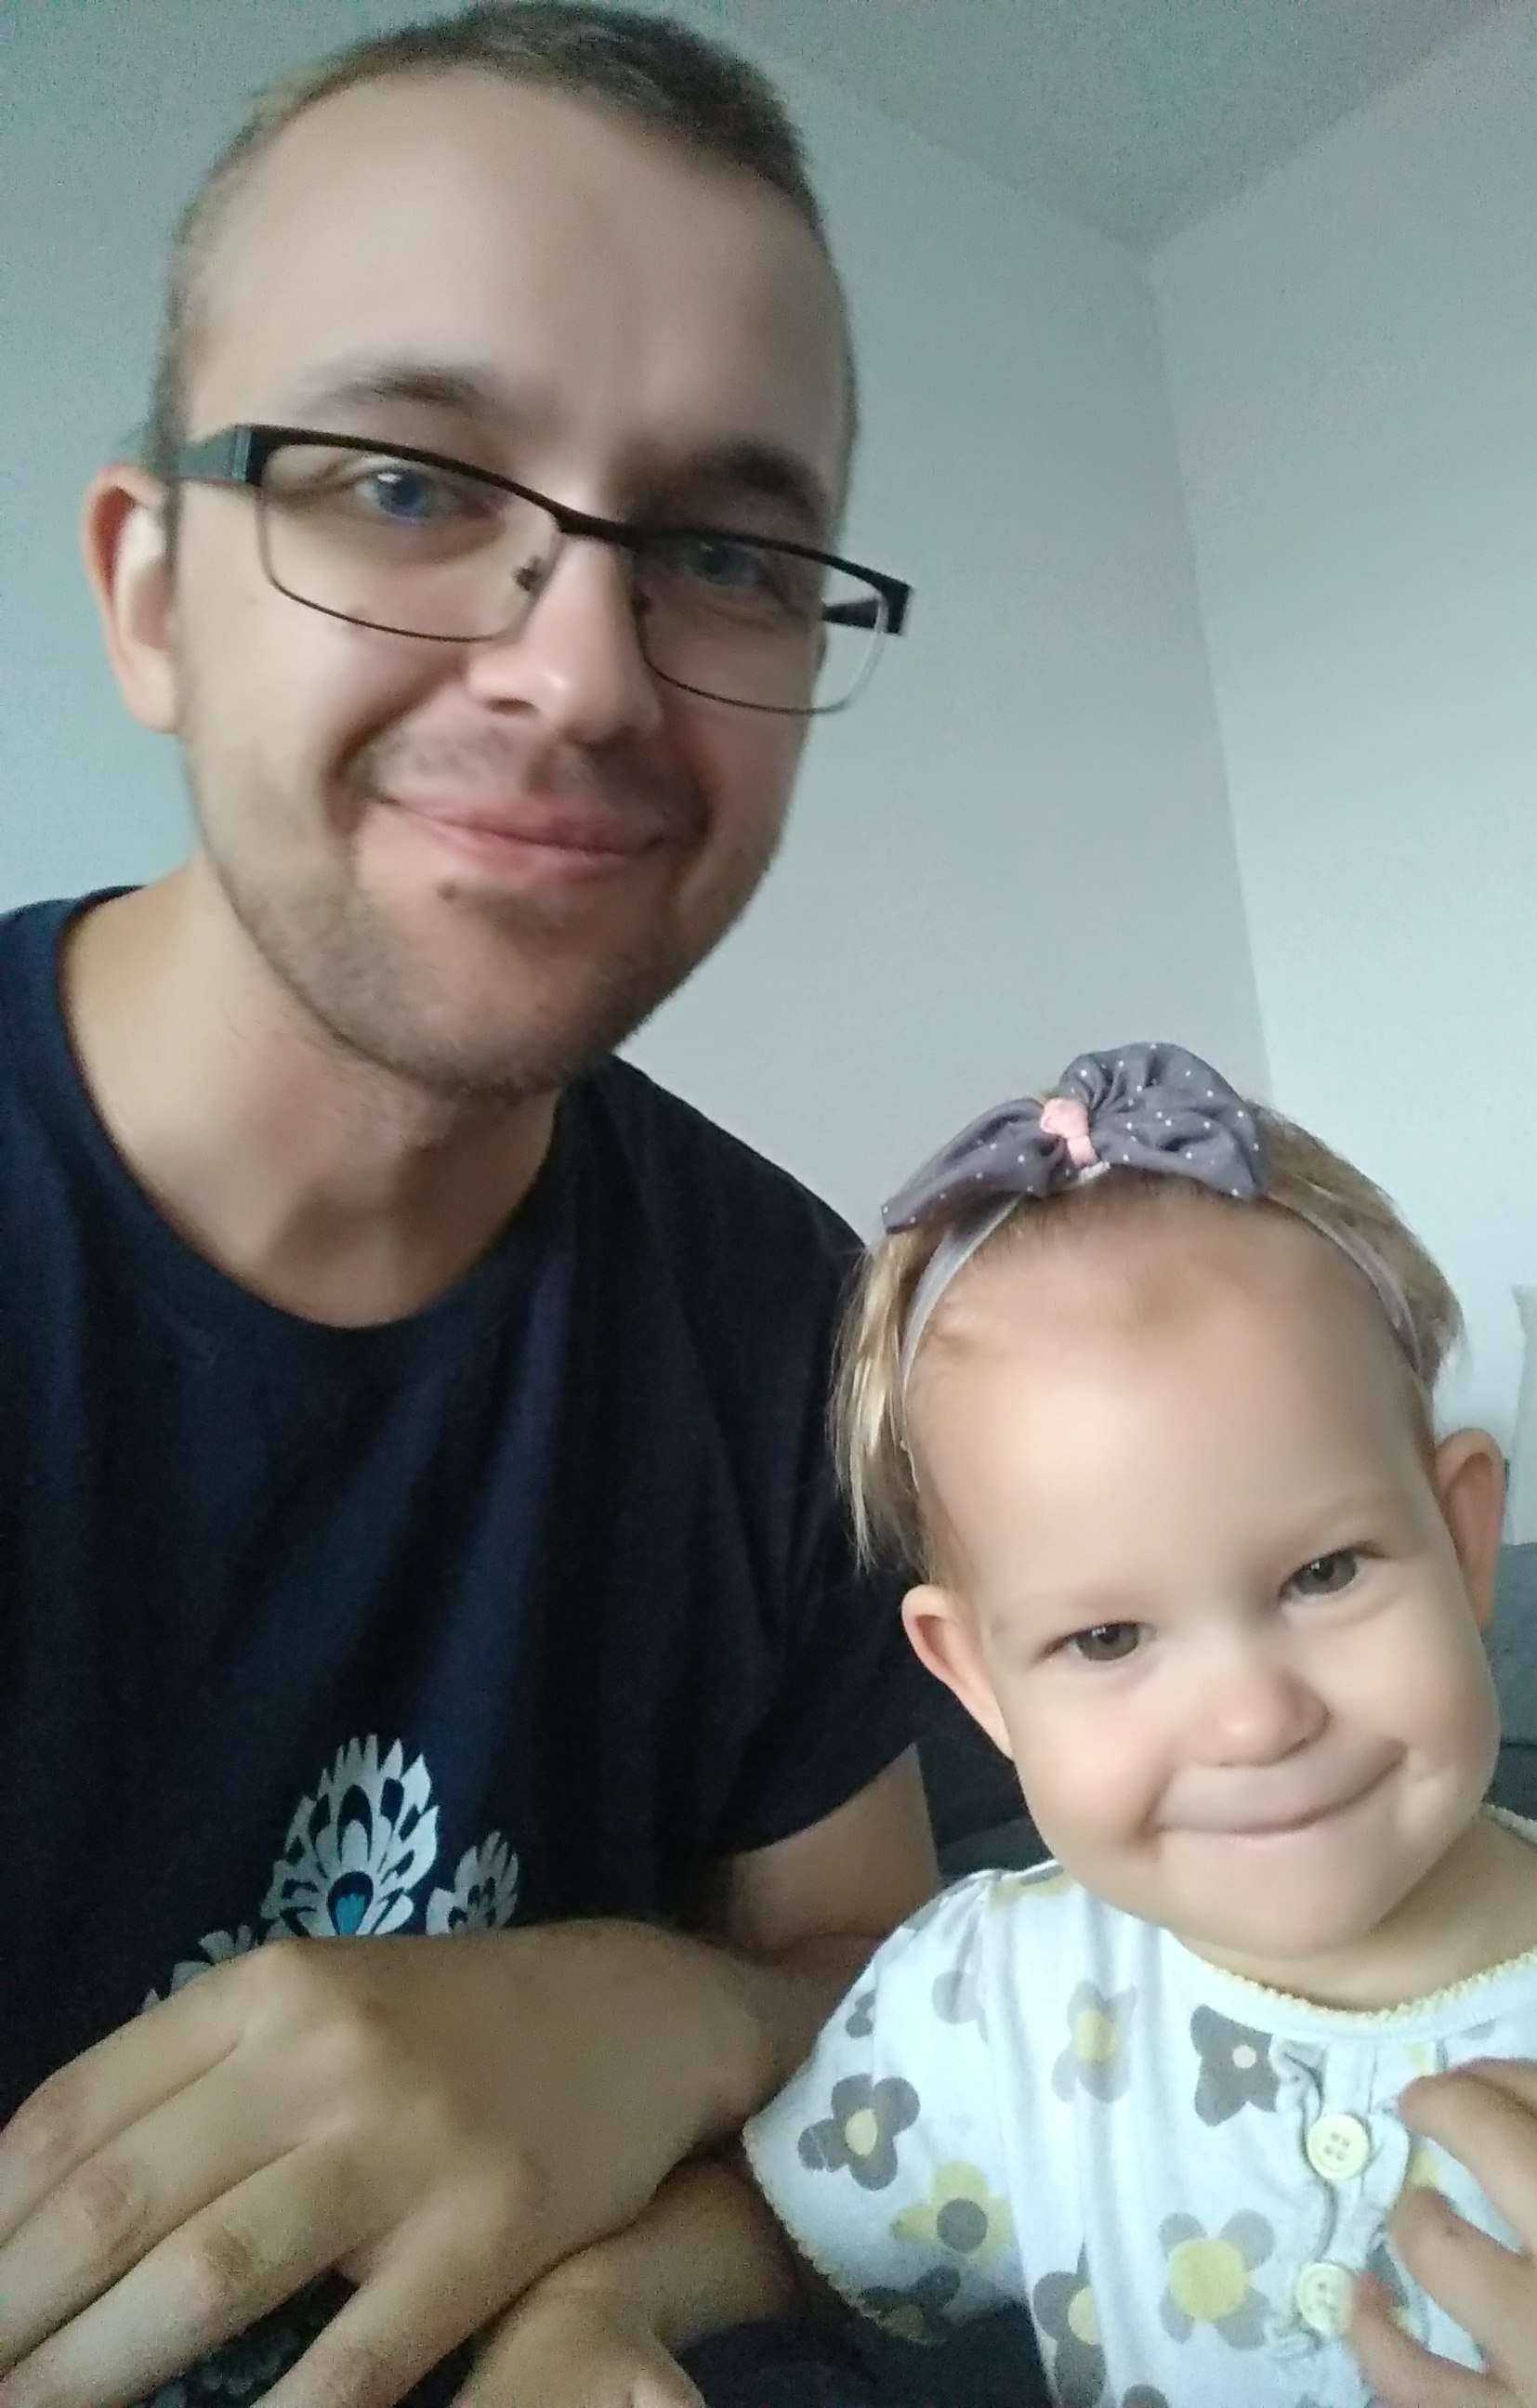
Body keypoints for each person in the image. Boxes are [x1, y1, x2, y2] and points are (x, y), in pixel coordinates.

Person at [0, 9, 974, 2404]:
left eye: (727, 552)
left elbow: (888, 1995)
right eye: (409, 485)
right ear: (152, 594)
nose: (581, 677)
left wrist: (643, 2009)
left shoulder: (791, 1322)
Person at [544, 1042, 1537, 2408]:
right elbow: (791, 2225)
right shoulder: (986, 2003)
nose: (1256, 1721)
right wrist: (602, 2305)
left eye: (1324, 1573)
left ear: (1463, 1539)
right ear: (976, 1686)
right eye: (1107, 1639)